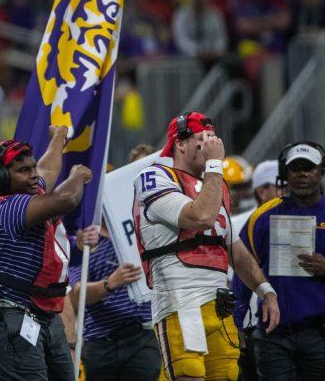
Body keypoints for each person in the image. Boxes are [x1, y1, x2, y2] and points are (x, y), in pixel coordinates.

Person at [133, 111, 279, 381]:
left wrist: (265, 289)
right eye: (203, 138)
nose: (212, 144)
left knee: (227, 375)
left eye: (213, 137)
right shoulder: (154, 177)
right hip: (181, 303)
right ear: (181, 143)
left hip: (219, 304)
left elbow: (232, 246)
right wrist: (214, 166)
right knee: (189, 375)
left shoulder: (214, 185)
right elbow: (200, 217)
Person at [0, 130, 92, 381]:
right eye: (23, 171)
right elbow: (66, 198)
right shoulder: (11, 207)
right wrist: (77, 175)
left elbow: (47, 168)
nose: (33, 175)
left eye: (31, 167)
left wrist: (59, 137)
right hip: (11, 315)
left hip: (39, 313)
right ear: (3, 178)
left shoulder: (29, 193)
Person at [239, 141, 325, 379]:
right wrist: (236, 319)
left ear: (321, 170)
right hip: (272, 335)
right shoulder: (263, 217)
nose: (302, 174)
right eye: (295, 167)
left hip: (320, 333)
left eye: (309, 167)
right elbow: (242, 266)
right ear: (285, 172)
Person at [67, 225, 160, 381]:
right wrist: (109, 283)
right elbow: (77, 295)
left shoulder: (141, 232)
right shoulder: (85, 240)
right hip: (100, 344)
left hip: (142, 337)